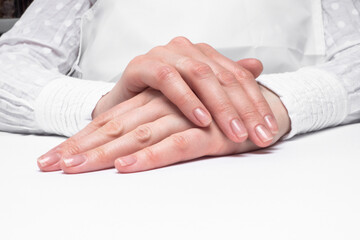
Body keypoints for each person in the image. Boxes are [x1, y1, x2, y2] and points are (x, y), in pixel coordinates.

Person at [0, 0, 359, 173]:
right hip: (105, 177)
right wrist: (106, 106)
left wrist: (270, 104)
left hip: (290, 169)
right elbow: (11, 63)